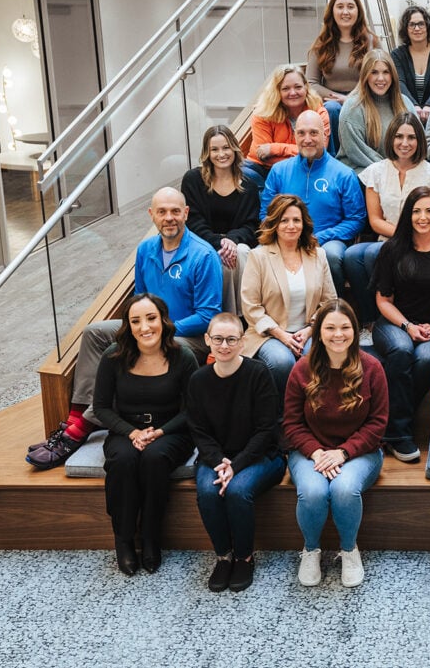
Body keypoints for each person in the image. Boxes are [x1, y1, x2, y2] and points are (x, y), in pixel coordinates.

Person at [27, 187, 222, 470]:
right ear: (151, 215)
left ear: (186, 214)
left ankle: (80, 429)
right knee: (95, 332)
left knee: (125, 347)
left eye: (175, 211)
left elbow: (209, 314)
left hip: (188, 338)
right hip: (149, 328)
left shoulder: (203, 255)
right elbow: (139, 300)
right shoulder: (145, 250)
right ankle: (76, 415)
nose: (169, 218)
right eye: (162, 212)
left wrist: (161, 330)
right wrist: (143, 327)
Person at [283, 299, 388, 589]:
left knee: (343, 489)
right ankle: (311, 550)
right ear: (318, 331)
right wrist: (317, 453)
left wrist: (342, 453)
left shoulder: (372, 368)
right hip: (310, 451)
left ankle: (349, 550)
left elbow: (378, 424)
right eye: (330, 328)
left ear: (355, 331)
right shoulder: (302, 370)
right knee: (314, 492)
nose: (337, 334)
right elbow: (291, 424)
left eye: (345, 327)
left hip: (361, 452)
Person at [92, 293, 199, 576]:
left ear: (163, 320)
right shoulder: (113, 356)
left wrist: (159, 432)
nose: (145, 327)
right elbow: (101, 408)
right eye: (136, 321)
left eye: (151, 318)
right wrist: (132, 432)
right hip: (125, 429)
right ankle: (124, 539)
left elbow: (193, 410)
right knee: (123, 461)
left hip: (172, 429)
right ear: (128, 325)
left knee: (154, 459)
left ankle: (152, 538)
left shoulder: (182, 356)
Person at [187, 312, 286, 593]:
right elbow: (199, 431)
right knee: (208, 491)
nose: (224, 345)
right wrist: (220, 462)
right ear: (207, 340)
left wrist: (236, 465)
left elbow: (267, 429)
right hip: (215, 458)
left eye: (231, 339)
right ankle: (223, 556)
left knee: (237, 491)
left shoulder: (259, 374)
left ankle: (244, 557)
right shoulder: (198, 380)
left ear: (242, 343)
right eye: (217, 339)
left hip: (261, 456)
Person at [372, 186, 430, 462]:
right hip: (394, 323)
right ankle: (400, 434)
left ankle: (389, 425)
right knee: (402, 351)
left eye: (429, 210)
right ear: (407, 215)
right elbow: (383, 300)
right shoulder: (392, 250)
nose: (423, 217)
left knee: (425, 360)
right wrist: (408, 327)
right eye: (416, 211)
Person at [344, 113, 430, 338]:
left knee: (373, 253)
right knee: (353, 256)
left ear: (419, 141)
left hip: (425, 242)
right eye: (399, 136)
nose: (404, 143)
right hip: (389, 238)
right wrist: (404, 237)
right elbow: (375, 220)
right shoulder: (376, 172)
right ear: (391, 139)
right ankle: (370, 321)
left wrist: (427, 241)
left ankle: (394, 317)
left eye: (411, 137)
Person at [260, 109, 365, 298]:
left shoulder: (343, 174)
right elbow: (265, 215)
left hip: (328, 241)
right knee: (258, 253)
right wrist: (284, 237)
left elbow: (356, 219)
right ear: (295, 136)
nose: (307, 139)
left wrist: (322, 237)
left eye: (313, 133)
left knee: (330, 255)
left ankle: (334, 311)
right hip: (285, 236)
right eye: (301, 133)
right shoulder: (278, 171)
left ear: (325, 135)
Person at [240, 194, 336, 396]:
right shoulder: (258, 256)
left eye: (296, 220)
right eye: (284, 220)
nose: (291, 226)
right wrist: (282, 335)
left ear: (304, 223)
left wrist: (310, 330)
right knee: (282, 362)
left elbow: (330, 302)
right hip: (268, 334)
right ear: (274, 223)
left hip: (307, 331)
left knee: (313, 358)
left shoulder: (318, 255)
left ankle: (312, 415)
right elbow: (251, 307)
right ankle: (282, 417)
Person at [181, 125, 259, 315]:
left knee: (240, 252)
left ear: (234, 148)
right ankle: (220, 315)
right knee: (220, 255)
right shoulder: (193, 179)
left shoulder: (248, 186)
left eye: (225, 148)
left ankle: (240, 316)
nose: (221, 154)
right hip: (201, 242)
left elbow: (251, 226)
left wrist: (231, 240)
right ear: (207, 153)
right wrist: (220, 242)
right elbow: (192, 221)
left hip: (237, 244)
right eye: (214, 149)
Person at [306, 0, 380, 154]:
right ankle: (333, 159)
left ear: (358, 11)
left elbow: (382, 75)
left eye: (350, 6)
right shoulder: (321, 44)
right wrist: (338, 99)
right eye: (340, 7)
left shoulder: (371, 42)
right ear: (332, 11)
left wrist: (350, 99)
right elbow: (311, 83)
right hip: (331, 102)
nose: (345, 11)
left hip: (364, 100)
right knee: (332, 108)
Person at [244, 64, 330, 188]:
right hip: (263, 169)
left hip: (305, 168)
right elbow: (262, 156)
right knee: (243, 173)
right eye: (285, 88)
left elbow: (317, 152)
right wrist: (301, 153)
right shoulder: (262, 114)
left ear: (306, 88)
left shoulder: (319, 113)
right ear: (277, 91)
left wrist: (275, 149)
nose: (293, 92)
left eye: (298, 87)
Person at [336, 49, 417, 173]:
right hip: (363, 171)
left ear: (393, 75)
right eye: (374, 72)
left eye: (386, 72)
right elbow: (358, 153)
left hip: (401, 170)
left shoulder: (405, 103)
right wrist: (391, 171)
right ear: (365, 75)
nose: (381, 78)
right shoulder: (352, 108)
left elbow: (418, 141)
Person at [390, 4, 430, 123]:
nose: (417, 29)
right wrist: (414, 107)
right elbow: (400, 83)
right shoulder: (397, 55)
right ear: (406, 29)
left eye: (421, 24)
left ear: (428, 26)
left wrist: (429, 105)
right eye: (412, 24)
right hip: (405, 112)